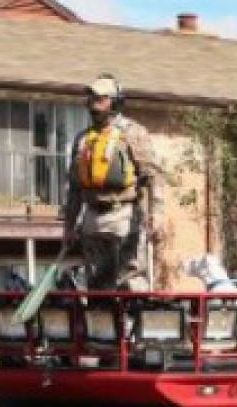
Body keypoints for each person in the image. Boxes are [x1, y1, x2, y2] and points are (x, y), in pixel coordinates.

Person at [63, 74, 164, 291]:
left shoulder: (132, 133)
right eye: (91, 98)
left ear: (115, 101)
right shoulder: (82, 140)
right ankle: (101, 323)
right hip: (92, 218)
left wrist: (156, 214)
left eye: (100, 98)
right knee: (97, 283)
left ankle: (133, 323)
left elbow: (153, 175)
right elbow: (74, 188)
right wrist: (69, 226)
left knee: (130, 278)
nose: (93, 104)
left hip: (124, 215)